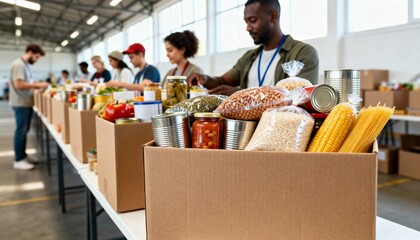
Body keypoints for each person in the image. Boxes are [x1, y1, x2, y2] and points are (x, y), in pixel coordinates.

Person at [187, 0, 319, 96]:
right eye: (246, 22)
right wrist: (205, 79)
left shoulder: (303, 53)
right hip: (247, 127)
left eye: (253, 20)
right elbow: (222, 81)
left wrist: (244, 94)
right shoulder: (249, 57)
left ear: (273, 16)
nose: (248, 28)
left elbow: (301, 97)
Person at [9, 44, 49, 170]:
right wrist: (37, 86)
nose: (36, 60)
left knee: (24, 131)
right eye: (36, 57)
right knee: (21, 131)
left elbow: (27, 82)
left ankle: (23, 155)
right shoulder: (19, 65)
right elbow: (19, 84)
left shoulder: (24, 65)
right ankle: (18, 159)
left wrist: (37, 83)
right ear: (30, 52)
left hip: (25, 102)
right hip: (20, 103)